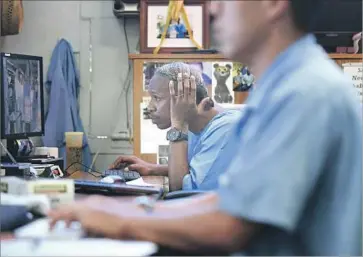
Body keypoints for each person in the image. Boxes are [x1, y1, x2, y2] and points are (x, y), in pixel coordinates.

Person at [48, 1, 362, 255]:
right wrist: (118, 209)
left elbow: (228, 225)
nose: (211, 10)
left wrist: (117, 218)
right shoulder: (284, 84)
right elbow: (226, 200)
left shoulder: (303, 91)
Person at [110, 62, 241, 191]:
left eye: (157, 98)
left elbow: (181, 190)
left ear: (186, 99)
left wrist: (178, 125)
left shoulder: (226, 128)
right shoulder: (197, 125)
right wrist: (152, 168)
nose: (149, 107)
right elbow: (194, 170)